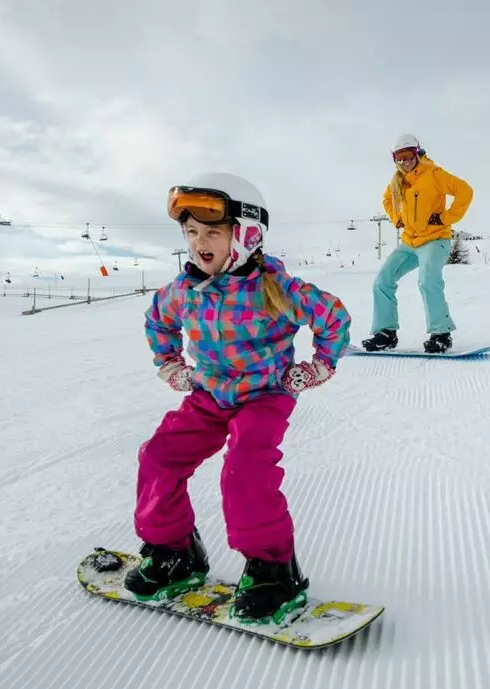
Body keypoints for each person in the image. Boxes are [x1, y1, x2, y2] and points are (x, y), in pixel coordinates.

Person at [117, 171, 351, 626]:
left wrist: (318, 366)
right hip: (209, 395)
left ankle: (272, 570)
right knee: (159, 457)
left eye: (212, 232)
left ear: (244, 236)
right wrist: (170, 364)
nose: (199, 242)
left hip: (264, 396)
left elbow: (333, 317)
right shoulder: (184, 291)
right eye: (191, 232)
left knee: (245, 468)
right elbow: (157, 322)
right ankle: (174, 552)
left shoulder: (276, 288)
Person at [361, 133, 473, 354]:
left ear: (417, 153)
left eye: (408, 155)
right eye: (399, 157)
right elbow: (387, 199)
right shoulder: (398, 181)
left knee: (427, 280)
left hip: (435, 239)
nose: (404, 161)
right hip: (409, 242)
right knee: (382, 281)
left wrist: (445, 218)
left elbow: (465, 191)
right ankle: (386, 333)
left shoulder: (434, 174)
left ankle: (441, 334)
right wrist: (397, 219)